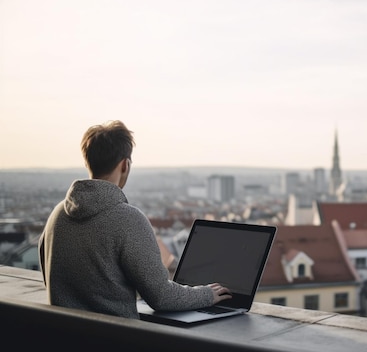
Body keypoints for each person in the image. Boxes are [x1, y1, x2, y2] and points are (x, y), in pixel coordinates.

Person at [38, 120, 231, 319]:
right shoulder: (128, 219)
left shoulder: (57, 215)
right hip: (116, 343)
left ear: (88, 161)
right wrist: (207, 294)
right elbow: (162, 297)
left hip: (62, 341)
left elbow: (51, 280)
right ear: (125, 165)